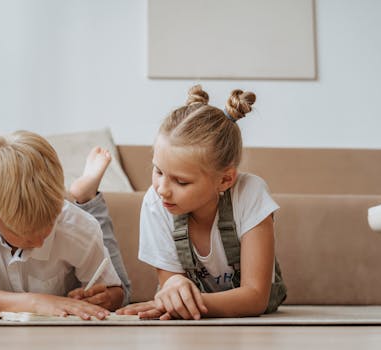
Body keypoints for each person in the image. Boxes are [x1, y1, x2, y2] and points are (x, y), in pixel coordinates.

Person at [117, 85, 286, 320]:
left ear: (225, 179)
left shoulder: (250, 193)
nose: (163, 190)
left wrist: (184, 304)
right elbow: (171, 283)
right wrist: (174, 286)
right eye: (158, 171)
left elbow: (255, 297)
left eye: (181, 182)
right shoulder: (156, 203)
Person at [0, 130, 131, 320]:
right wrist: (37, 302)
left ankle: (88, 198)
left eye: (49, 224)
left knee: (124, 286)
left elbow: (115, 293)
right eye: (26, 234)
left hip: (81, 222)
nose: (40, 241)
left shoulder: (77, 225)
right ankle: (85, 195)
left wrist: (105, 298)